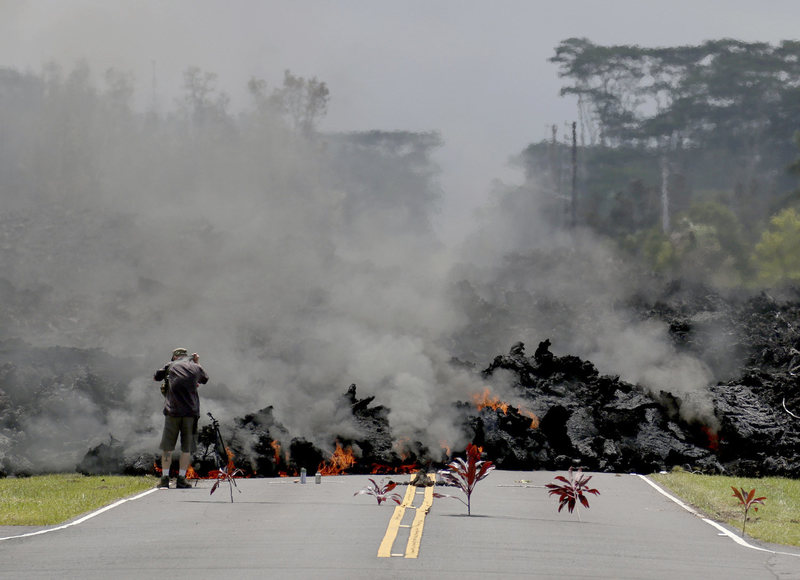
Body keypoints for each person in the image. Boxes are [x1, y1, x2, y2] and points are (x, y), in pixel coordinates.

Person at [153, 347, 209, 489]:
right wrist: (197, 362)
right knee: (186, 448)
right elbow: (205, 379)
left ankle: (164, 478)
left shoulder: (170, 365)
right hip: (190, 413)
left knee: (167, 447)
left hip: (172, 412)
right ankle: (181, 479)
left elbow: (156, 377)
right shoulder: (195, 367)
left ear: (175, 357)